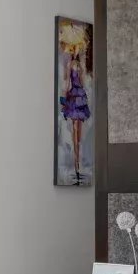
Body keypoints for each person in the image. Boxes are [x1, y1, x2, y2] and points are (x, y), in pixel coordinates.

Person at [58, 41, 91, 184]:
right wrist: (64, 97)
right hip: (76, 97)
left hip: (78, 97)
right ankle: (77, 165)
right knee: (76, 132)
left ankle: (78, 165)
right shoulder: (72, 65)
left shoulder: (76, 65)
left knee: (77, 134)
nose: (77, 51)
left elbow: (75, 83)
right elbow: (69, 84)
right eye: (76, 49)